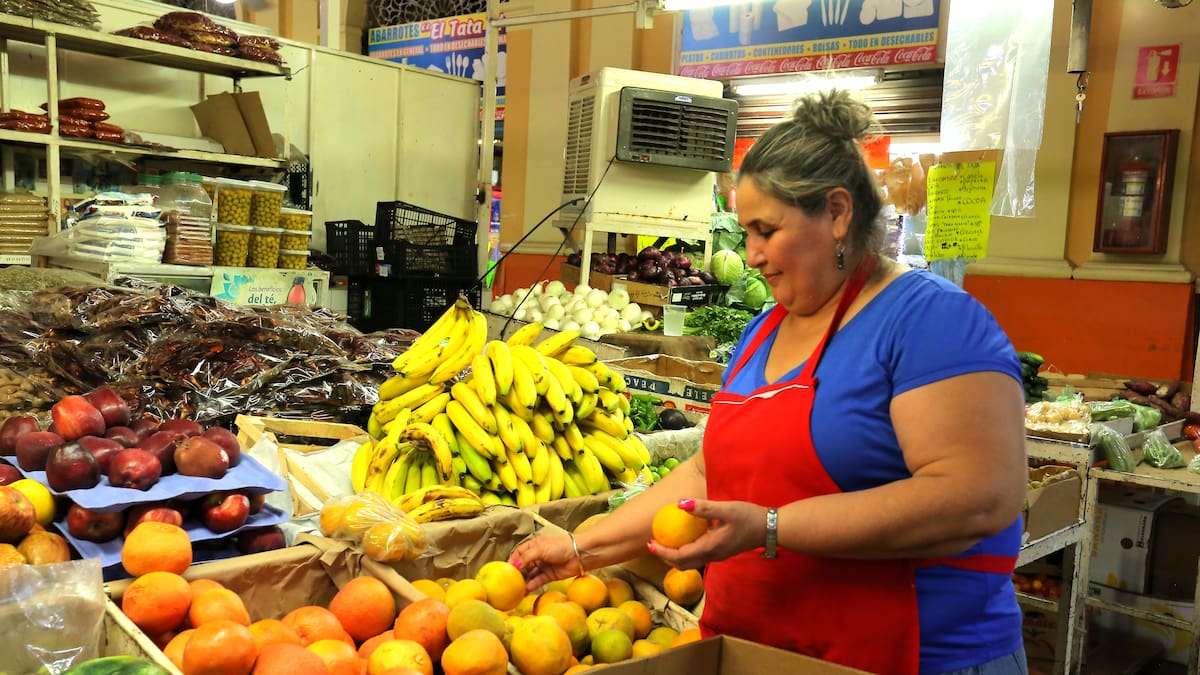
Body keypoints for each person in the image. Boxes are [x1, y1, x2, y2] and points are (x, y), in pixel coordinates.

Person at [509, 89, 1029, 675]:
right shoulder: (763, 332)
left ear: (836, 214)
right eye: (744, 232)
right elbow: (708, 473)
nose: (751, 254)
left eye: (765, 230)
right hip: (758, 648)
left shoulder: (931, 322)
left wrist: (772, 527)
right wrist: (582, 548)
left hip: (908, 655)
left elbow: (974, 499)